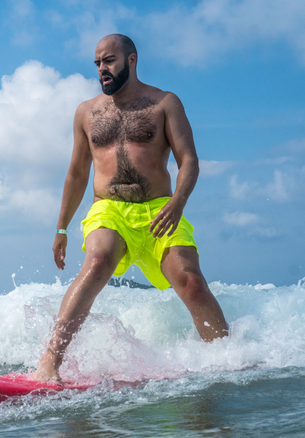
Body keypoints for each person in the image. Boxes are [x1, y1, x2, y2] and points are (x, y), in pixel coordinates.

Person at [34, 34, 229, 382]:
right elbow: (77, 173)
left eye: (109, 61)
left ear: (132, 60)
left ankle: (229, 358)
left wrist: (177, 202)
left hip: (160, 210)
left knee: (192, 282)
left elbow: (190, 161)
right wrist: (61, 228)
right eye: (97, 63)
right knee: (96, 263)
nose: (102, 69)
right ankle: (49, 362)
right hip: (108, 209)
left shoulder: (164, 103)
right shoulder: (87, 112)